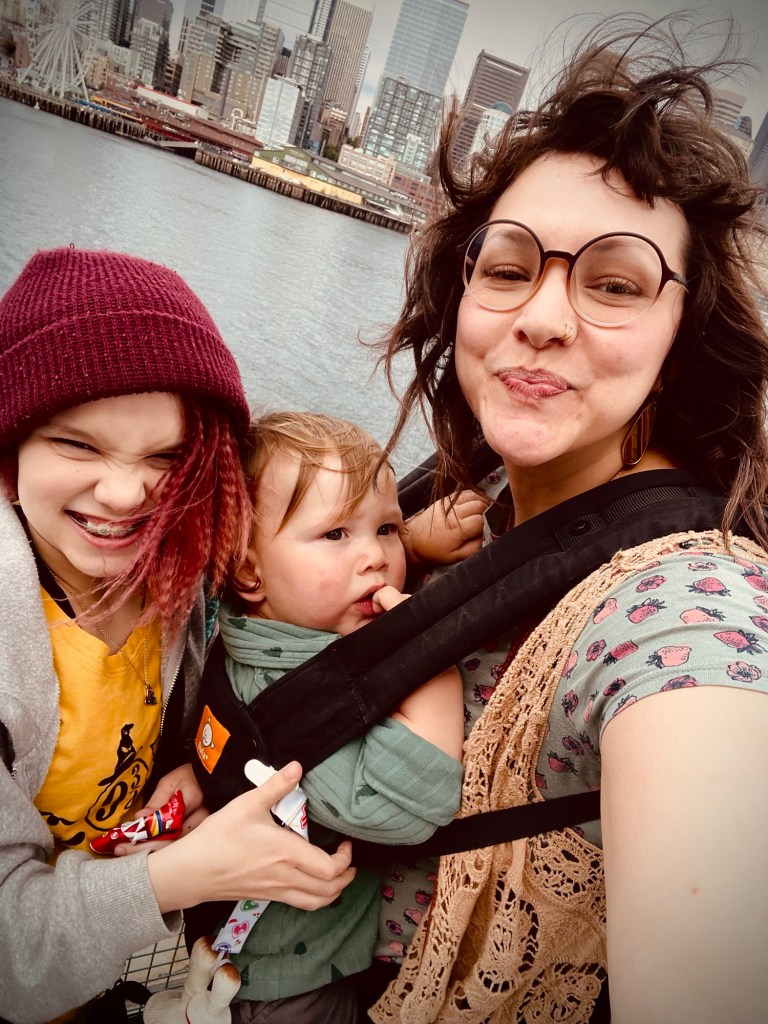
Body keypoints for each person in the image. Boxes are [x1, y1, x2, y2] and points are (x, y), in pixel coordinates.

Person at [360, 15, 768, 1024]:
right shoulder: (470, 493)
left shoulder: (690, 600)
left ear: (682, 339)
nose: (541, 315)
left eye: (616, 284)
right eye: (507, 267)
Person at [0, 248, 356, 1024]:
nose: (125, 493)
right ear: (11, 440)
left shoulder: (177, 562)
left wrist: (411, 540)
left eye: (165, 457)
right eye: (77, 444)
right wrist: (181, 875)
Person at [203, 410, 468, 1024]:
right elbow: (391, 811)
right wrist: (433, 673)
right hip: (285, 986)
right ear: (248, 570)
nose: (376, 559)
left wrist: (417, 544)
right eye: (335, 536)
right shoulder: (293, 701)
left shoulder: (263, 634)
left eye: (386, 529)